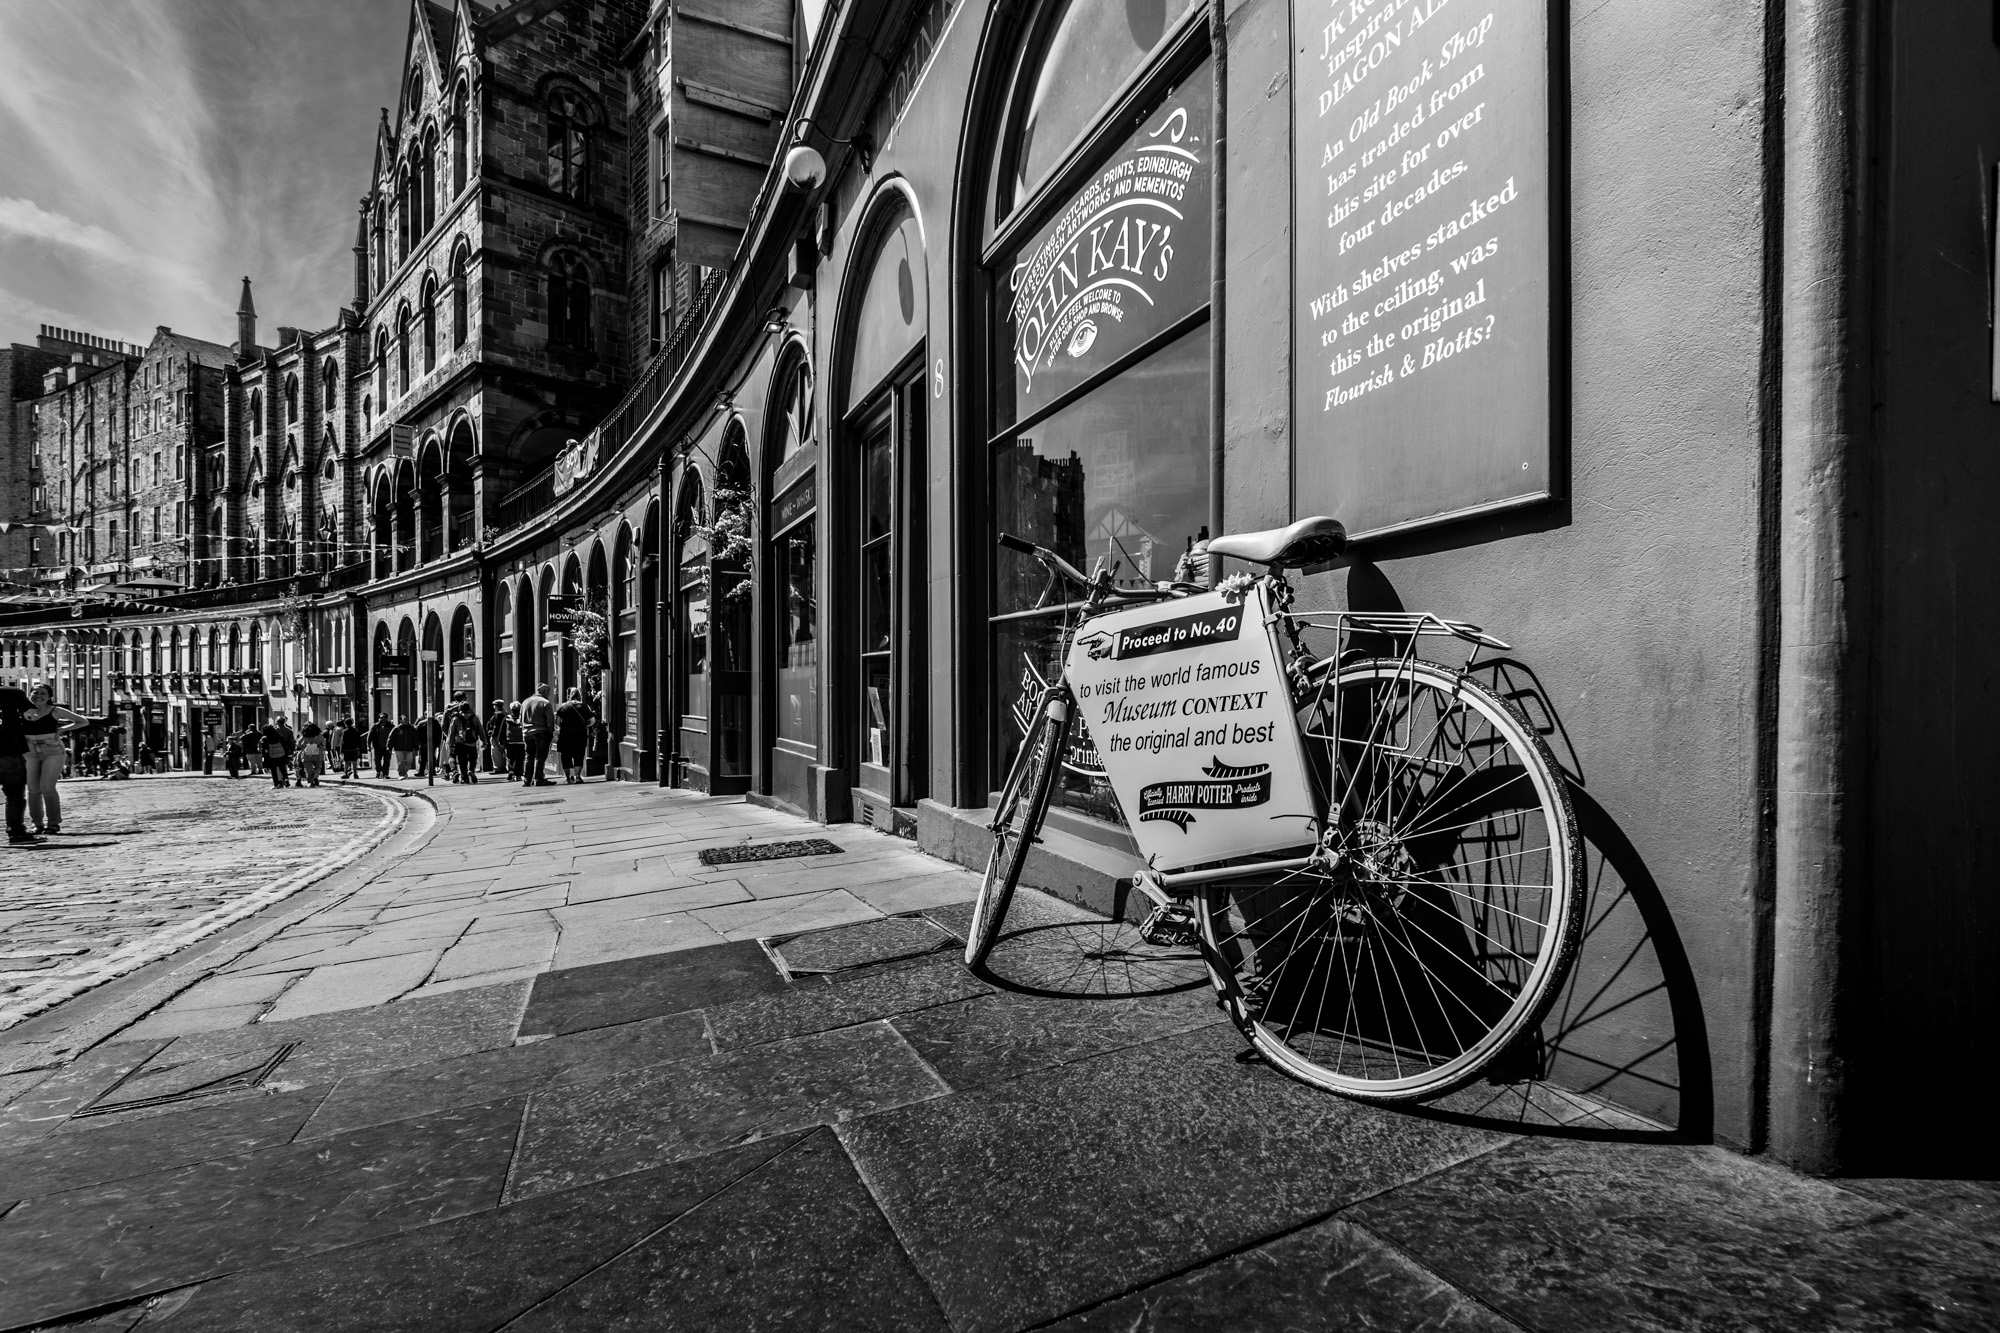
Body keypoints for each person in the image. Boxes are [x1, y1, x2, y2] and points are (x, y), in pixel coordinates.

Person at [22, 684, 86, 835]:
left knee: (47, 787)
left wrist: (63, 729)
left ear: (49, 697)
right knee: (33, 789)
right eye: (35, 692)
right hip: (29, 750)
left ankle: (53, 823)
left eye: (43, 693)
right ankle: (37, 824)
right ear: (29, 694)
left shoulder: (55, 710)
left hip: (52, 749)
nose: (39, 696)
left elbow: (83, 721)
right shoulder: (22, 710)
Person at [0, 683, 36, 845]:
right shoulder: (11, 692)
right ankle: (16, 832)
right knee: (14, 795)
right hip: (8, 753)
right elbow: (31, 714)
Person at [519, 684, 554, 787]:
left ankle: (527, 780)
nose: (548, 695)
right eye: (548, 692)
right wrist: (550, 732)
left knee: (529, 756)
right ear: (544, 691)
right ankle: (538, 779)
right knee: (540, 757)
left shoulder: (525, 702)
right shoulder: (545, 703)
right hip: (541, 732)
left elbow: (521, 719)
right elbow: (550, 720)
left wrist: (524, 730)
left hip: (527, 733)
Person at [555, 687, 591, 784]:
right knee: (579, 755)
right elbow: (592, 720)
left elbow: (557, 721)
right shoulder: (585, 706)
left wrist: (563, 727)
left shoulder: (564, 706)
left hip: (565, 735)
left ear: (569, 696)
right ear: (579, 695)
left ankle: (568, 778)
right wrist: (585, 726)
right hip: (580, 734)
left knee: (566, 756)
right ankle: (578, 777)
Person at [448, 699, 482, 783]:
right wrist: (484, 741)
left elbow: (451, 733)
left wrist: (451, 744)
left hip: (460, 743)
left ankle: (464, 777)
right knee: (473, 759)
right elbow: (481, 730)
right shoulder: (474, 718)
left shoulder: (456, 718)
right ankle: (471, 770)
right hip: (472, 743)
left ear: (460, 709)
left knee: (462, 761)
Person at [260, 718, 293, 788]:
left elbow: (264, 749)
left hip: (271, 756)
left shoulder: (265, 738)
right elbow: (285, 745)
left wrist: (265, 758)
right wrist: (288, 753)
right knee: (282, 768)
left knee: (274, 770)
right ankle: (286, 779)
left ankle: (277, 784)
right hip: (281, 754)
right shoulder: (279, 736)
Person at [297, 721, 325, 788]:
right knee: (318, 766)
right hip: (318, 753)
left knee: (308, 768)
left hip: (307, 754)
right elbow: (323, 744)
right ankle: (315, 776)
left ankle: (310, 781)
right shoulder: (319, 736)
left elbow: (299, 745)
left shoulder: (304, 737)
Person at [502, 701, 524, 779]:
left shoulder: (507, 718)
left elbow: (502, 730)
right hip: (521, 741)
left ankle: (511, 770)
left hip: (510, 741)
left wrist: (502, 740)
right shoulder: (523, 718)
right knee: (520, 758)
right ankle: (518, 774)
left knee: (510, 757)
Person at [485, 699, 507, 773]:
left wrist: (493, 735)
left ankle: (499, 768)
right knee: (501, 751)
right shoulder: (505, 713)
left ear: (496, 706)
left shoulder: (498, 714)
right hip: (503, 735)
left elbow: (496, 726)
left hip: (497, 736)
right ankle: (502, 766)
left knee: (496, 752)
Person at [339, 714, 365, 779]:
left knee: (346, 762)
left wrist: (341, 750)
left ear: (345, 724)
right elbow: (359, 740)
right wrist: (359, 748)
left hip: (347, 749)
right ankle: (355, 774)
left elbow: (343, 741)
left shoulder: (345, 731)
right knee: (354, 762)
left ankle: (345, 773)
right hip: (355, 748)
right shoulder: (356, 730)